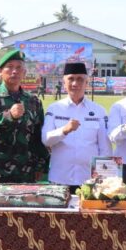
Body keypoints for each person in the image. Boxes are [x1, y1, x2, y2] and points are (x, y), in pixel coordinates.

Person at [0, 50, 49, 183]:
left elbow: (38, 136)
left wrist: (41, 164)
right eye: (9, 67)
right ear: (0, 71)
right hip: (0, 171)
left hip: (28, 170)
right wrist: (8, 116)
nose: (14, 71)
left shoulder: (33, 101)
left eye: (18, 67)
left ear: (24, 73)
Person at [42, 62, 111, 192]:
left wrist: (103, 179)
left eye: (80, 79)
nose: (75, 83)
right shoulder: (54, 109)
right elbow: (46, 140)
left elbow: (105, 148)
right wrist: (64, 130)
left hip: (89, 181)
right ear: (64, 83)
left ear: (87, 83)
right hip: (60, 179)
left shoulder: (99, 110)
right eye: (71, 79)